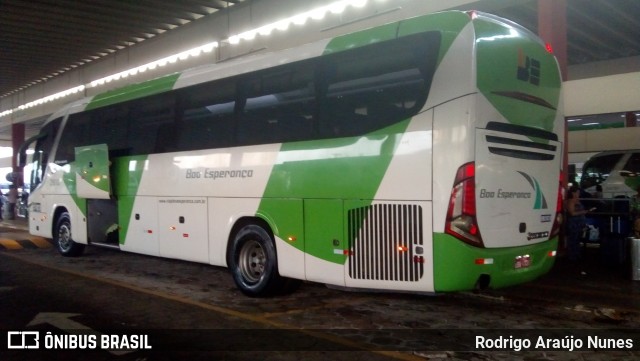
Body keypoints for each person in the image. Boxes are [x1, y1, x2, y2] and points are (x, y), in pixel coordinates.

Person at [565, 185, 596, 262]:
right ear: (573, 193)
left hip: (579, 222)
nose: (578, 194)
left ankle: (576, 254)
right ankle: (572, 256)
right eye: (577, 192)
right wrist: (584, 211)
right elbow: (572, 213)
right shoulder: (571, 201)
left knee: (577, 239)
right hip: (574, 223)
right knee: (573, 239)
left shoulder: (577, 200)